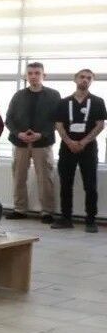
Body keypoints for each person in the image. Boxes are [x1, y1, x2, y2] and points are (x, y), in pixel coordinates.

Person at [5, 62, 61, 221]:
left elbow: (57, 120)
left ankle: (47, 212)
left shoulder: (53, 95)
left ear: (44, 75)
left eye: (37, 73)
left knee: (45, 178)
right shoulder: (18, 95)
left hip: (42, 143)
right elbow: (9, 119)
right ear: (26, 76)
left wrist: (41, 134)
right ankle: (20, 209)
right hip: (20, 142)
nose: (33, 76)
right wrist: (19, 133)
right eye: (30, 73)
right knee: (19, 177)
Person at [52, 68, 106, 231]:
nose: (85, 80)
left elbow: (100, 125)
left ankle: (91, 220)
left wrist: (83, 142)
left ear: (92, 81)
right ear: (75, 79)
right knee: (65, 184)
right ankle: (66, 218)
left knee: (90, 185)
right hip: (67, 147)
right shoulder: (64, 102)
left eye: (89, 78)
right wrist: (69, 142)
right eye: (82, 77)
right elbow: (59, 124)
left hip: (88, 148)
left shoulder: (97, 101)